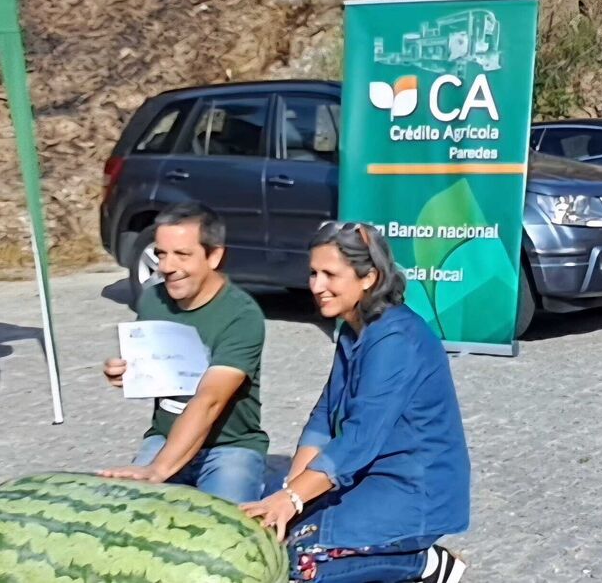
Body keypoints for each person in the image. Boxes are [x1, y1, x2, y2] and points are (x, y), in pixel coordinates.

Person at [241, 222, 471, 583]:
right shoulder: (353, 328)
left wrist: (294, 500)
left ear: (368, 278)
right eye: (313, 273)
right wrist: (291, 490)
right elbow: (322, 418)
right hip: (367, 475)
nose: (316, 286)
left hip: (413, 487)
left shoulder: (395, 339)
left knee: (302, 560)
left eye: (330, 274)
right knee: (271, 530)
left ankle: (424, 563)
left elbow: (360, 437)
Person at [100, 202, 268, 503]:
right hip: (164, 438)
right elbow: (153, 368)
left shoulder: (242, 315)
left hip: (229, 446)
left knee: (224, 532)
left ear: (214, 255)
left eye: (182, 255)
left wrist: (158, 470)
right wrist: (127, 373)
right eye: (161, 253)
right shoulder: (153, 301)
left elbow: (210, 400)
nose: (166, 267)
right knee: (131, 516)